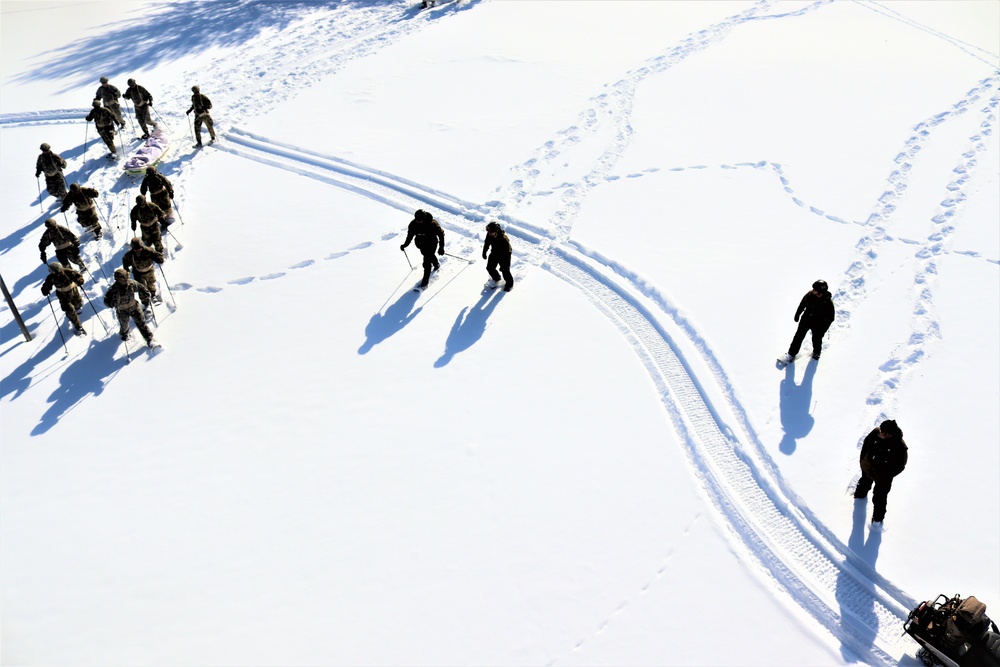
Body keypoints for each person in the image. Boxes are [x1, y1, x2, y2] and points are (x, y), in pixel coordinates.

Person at [853, 419, 908, 529]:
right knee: (863, 484)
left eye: (884, 433)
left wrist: (886, 474)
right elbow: (865, 447)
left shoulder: (899, 446)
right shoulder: (875, 434)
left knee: (880, 498)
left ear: (891, 434)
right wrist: (863, 462)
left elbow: (900, 466)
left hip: (883, 477)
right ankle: (858, 498)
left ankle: (877, 520)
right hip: (868, 469)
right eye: (881, 431)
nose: (881, 434)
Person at [781, 279, 835, 363]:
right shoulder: (809, 295)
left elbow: (831, 318)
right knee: (798, 336)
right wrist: (797, 314)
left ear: (821, 292)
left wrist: (823, 329)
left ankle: (816, 352)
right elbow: (802, 304)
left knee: (817, 338)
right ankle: (791, 354)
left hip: (818, 323)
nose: (813, 291)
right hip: (806, 319)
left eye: (815, 290)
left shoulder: (828, 302)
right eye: (813, 289)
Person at [104, 268, 156, 346]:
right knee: (124, 326)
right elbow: (106, 300)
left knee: (141, 323)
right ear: (118, 280)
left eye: (127, 277)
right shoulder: (113, 289)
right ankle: (124, 334)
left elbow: (140, 287)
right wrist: (111, 303)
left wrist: (146, 292)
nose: (126, 280)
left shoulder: (131, 283)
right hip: (122, 311)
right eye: (124, 278)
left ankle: (149, 339)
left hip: (134, 307)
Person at [400, 209, 444, 289]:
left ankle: (425, 282)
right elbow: (410, 235)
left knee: (426, 261)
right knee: (428, 255)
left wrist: (441, 247)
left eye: (420, 220)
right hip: (421, 244)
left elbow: (441, 235)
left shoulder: (433, 224)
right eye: (417, 220)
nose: (419, 222)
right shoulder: (413, 224)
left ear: (424, 218)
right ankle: (436, 264)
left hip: (432, 243)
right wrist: (405, 245)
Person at [41, 262, 86, 336]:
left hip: (73, 291)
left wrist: (79, 280)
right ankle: (78, 326)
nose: (51, 272)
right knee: (69, 309)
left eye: (52, 271)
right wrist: (45, 290)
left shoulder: (68, 271)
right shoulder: (51, 277)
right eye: (50, 271)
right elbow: (46, 285)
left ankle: (77, 308)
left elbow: (79, 276)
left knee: (78, 303)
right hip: (62, 295)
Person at [122, 237, 165, 307]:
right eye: (135, 249)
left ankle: (153, 295)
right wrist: (126, 271)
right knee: (141, 289)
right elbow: (125, 262)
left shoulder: (148, 250)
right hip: (138, 273)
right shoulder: (129, 255)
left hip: (149, 271)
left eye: (139, 248)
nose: (137, 250)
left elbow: (157, 255)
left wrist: (159, 259)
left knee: (151, 284)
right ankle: (145, 303)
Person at [482, 221, 514, 292]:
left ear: (496, 231)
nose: (489, 234)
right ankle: (497, 278)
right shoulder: (490, 234)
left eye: (491, 232)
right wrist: (484, 252)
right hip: (494, 252)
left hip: (505, 254)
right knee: (490, 268)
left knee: (505, 270)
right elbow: (487, 243)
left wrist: (503, 265)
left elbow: (507, 252)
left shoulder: (503, 239)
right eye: (489, 232)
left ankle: (509, 284)